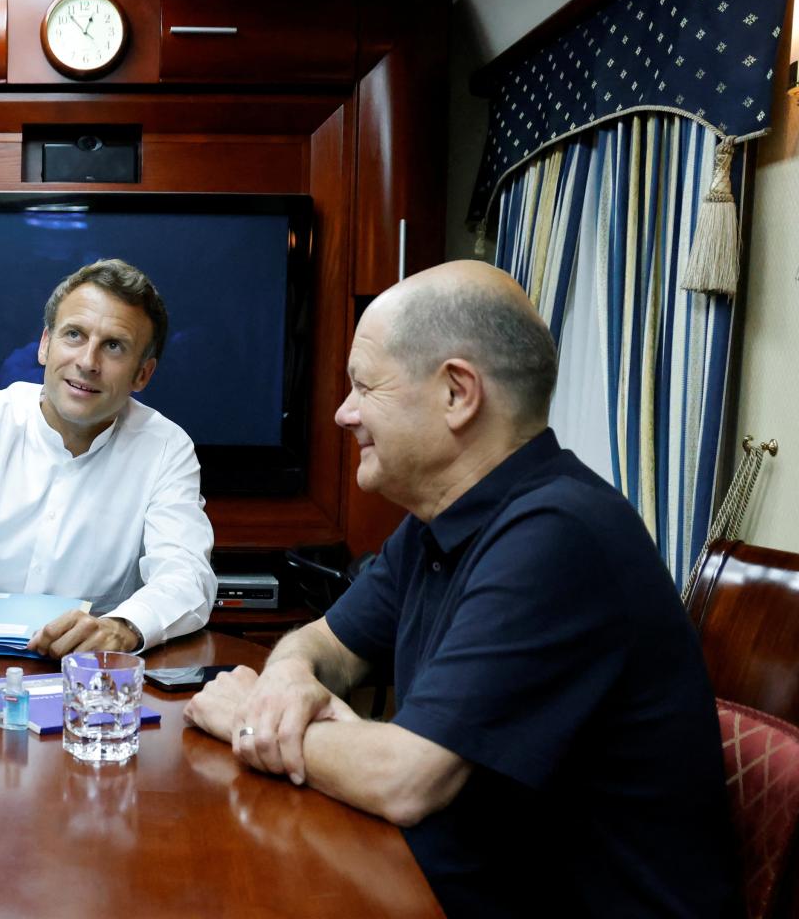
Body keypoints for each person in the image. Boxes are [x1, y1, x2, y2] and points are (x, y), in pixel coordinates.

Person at [184, 261, 735, 917]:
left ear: (456, 393)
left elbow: (403, 778)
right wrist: (286, 684)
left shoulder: (560, 534)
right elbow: (322, 643)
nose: (343, 413)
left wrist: (250, 720)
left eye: (365, 387)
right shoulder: (436, 522)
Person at [0, 258, 214, 656]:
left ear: (143, 374)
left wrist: (123, 627)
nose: (88, 362)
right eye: (74, 334)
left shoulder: (165, 449)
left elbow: (186, 574)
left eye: (114, 346)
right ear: (44, 344)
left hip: (80, 675)